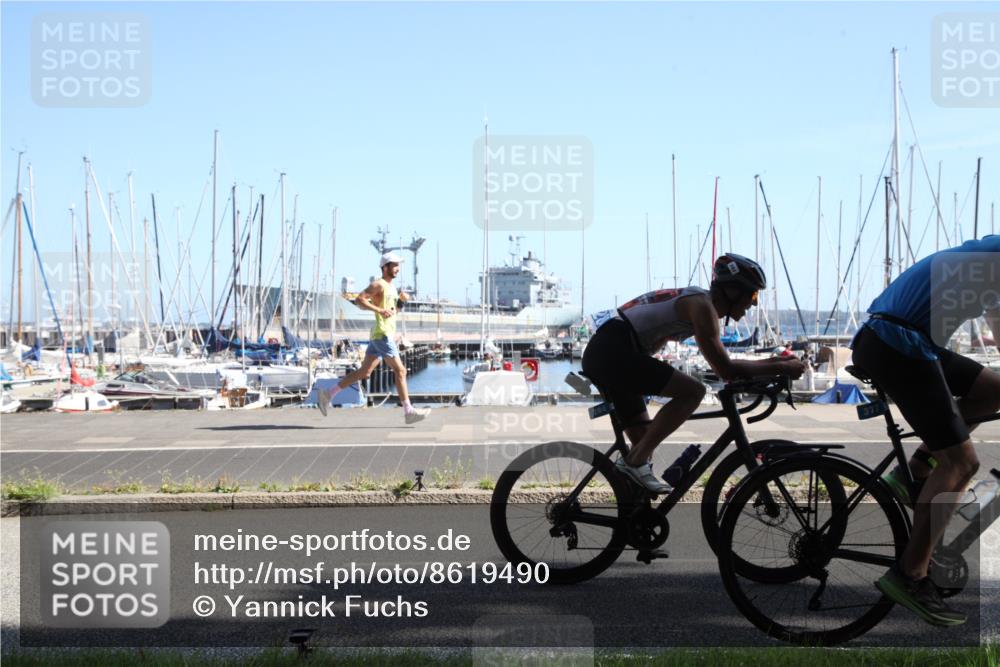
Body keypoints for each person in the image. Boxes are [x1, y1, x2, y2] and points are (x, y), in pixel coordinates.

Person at [850, 234, 1000, 626]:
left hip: (904, 339)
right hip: (897, 342)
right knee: (962, 464)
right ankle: (910, 574)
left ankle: (914, 470)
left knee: (992, 391)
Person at [581, 254, 805, 493]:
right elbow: (725, 369)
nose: (754, 303)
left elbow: (723, 362)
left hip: (611, 351)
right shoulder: (701, 307)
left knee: (644, 439)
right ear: (732, 291)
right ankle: (632, 465)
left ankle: (633, 514)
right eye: (752, 295)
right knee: (693, 392)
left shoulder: (699, 301)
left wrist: (774, 360)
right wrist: (782, 367)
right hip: (613, 351)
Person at [318, 252, 430, 424]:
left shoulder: (391, 287)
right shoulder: (379, 284)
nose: (397, 269)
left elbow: (392, 312)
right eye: (394, 265)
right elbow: (359, 300)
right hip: (383, 335)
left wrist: (401, 302)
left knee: (364, 372)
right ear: (385, 267)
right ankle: (408, 411)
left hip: (380, 335)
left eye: (398, 265)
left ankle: (327, 394)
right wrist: (378, 310)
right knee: (400, 371)